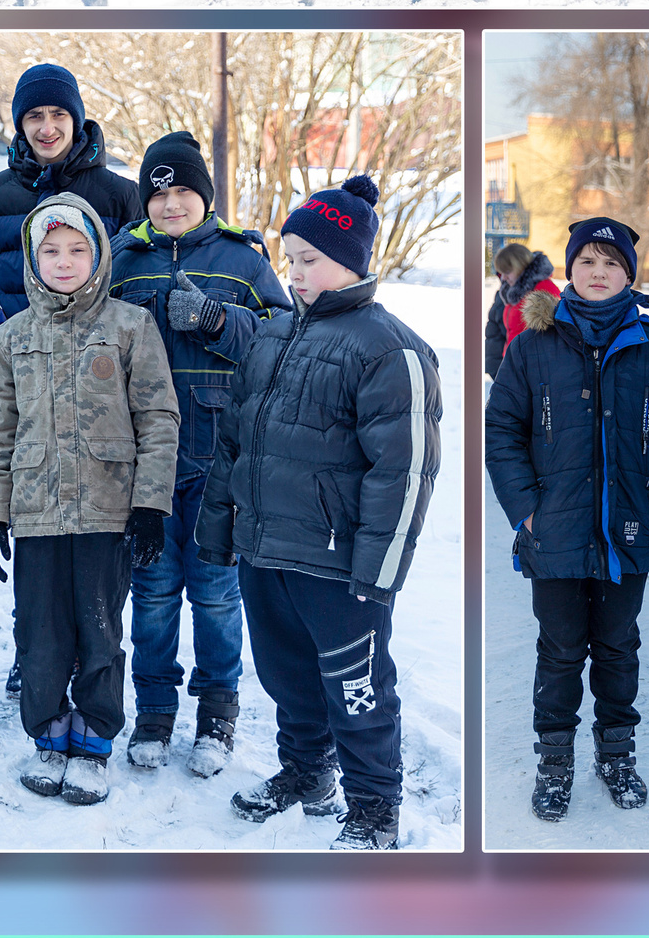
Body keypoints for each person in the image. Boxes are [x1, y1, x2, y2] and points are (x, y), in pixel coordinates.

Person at [198, 176, 442, 851]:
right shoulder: (272, 335)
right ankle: (306, 774)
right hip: (265, 549)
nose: (295, 272)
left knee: (357, 688)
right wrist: (220, 531)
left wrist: (379, 570)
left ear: (351, 259)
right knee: (286, 678)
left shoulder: (391, 348)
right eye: (290, 257)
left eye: (309, 258)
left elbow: (406, 471)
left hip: (337, 565)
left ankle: (374, 806)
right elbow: (235, 442)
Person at [485, 216, 649, 821]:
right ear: (570, 269)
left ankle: (616, 755)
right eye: (588, 261)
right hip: (553, 532)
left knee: (617, 648)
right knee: (559, 651)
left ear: (628, 275)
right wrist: (526, 510)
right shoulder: (532, 346)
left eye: (612, 263)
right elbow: (502, 429)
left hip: (626, 536)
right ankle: (554, 763)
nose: (599, 271)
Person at [0, 193, 178, 807]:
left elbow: (159, 418)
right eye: (51, 250)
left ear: (99, 255)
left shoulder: (130, 326)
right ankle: (49, 734)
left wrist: (150, 505)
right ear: (34, 260)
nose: (64, 261)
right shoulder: (11, 336)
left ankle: (92, 741)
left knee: (99, 630)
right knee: (40, 634)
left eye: (78, 249)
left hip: (107, 507)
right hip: (35, 509)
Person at [105, 130, 291, 778]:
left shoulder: (243, 261)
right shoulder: (122, 259)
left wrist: (217, 321)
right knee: (153, 593)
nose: (172, 203)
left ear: (205, 196)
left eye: (184, 190)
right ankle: (154, 710)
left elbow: (283, 339)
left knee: (216, 594)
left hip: (222, 465)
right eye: (159, 193)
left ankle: (217, 713)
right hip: (146, 463)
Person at [0, 61, 143, 322]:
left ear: (75, 119)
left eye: (58, 114)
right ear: (21, 124)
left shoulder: (121, 194)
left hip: (100, 355)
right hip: (17, 354)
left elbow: (134, 286)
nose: (47, 129)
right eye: (35, 116)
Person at [481, 243, 553, 380]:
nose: (503, 278)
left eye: (507, 272)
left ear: (520, 267)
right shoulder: (513, 291)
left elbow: (550, 338)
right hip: (514, 367)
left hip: (531, 372)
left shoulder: (543, 289)